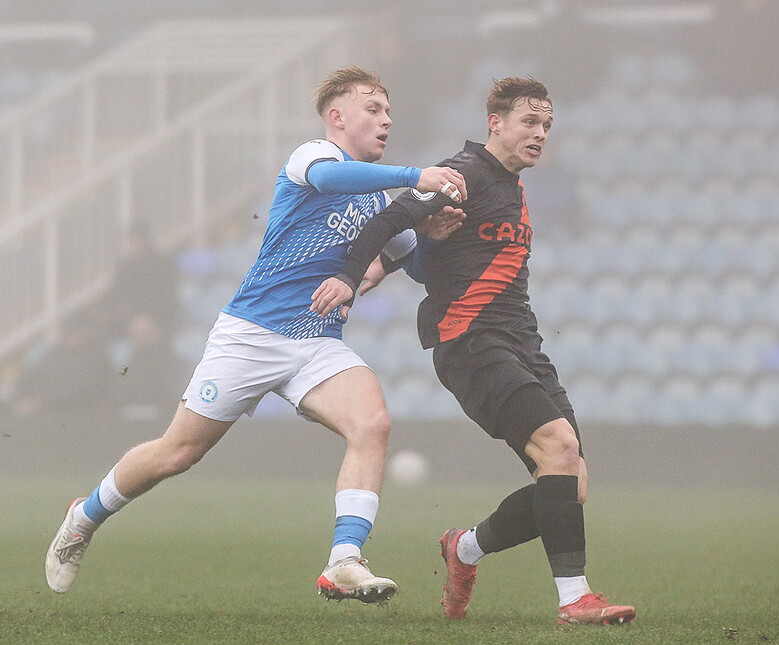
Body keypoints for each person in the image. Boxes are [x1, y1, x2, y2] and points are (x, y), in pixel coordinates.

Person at [44, 65, 467, 604]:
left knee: (373, 423)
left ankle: (344, 561)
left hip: (317, 343)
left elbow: (417, 264)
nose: (386, 119)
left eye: (388, 111)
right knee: (178, 453)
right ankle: (84, 517)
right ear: (337, 117)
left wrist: (431, 235)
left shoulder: (385, 204)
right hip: (251, 335)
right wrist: (415, 176)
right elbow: (334, 181)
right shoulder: (313, 157)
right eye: (373, 109)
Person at [311, 77, 636, 625]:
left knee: (569, 482)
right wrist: (350, 275)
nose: (539, 134)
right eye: (529, 122)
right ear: (496, 123)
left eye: (547, 125)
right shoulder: (463, 173)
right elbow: (393, 218)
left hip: (521, 339)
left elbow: (434, 243)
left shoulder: (511, 185)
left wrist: (392, 262)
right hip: (468, 338)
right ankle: (574, 599)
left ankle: (464, 549)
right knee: (557, 445)